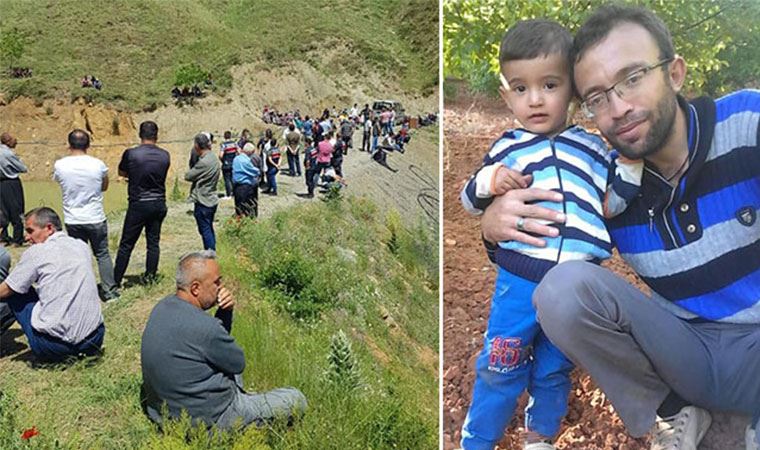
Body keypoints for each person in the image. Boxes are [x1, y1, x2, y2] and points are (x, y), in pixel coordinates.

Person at [479, 5, 760, 449]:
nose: (619, 107)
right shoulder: (607, 185)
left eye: (633, 77)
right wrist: (492, 229)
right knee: (562, 289)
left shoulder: (745, 124)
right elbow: (557, 242)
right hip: (683, 354)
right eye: (597, 96)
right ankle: (671, 413)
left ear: (675, 73)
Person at [459, 20, 640, 450]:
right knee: (502, 359)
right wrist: (492, 180)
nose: (535, 99)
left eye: (550, 84)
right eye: (520, 89)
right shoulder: (507, 147)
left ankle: (540, 434)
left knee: (555, 364)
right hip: (520, 277)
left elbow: (611, 204)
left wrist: (631, 165)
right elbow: (470, 199)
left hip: (577, 284)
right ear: (506, 96)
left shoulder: (595, 150)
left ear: (573, 91)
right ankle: (478, 438)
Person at [140, 251, 307, 429]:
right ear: (195, 288)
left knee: (219, 358)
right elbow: (237, 363)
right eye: (216, 282)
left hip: (164, 414)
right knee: (296, 399)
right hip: (209, 422)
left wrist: (224, 312)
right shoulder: (206, 328)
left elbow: (209, 342)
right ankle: (247, 410)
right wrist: (224, 315)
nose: (221, 287)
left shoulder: (162, 306)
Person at [0, 207, 105, 362]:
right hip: (93, 340)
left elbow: (5, 291)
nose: (26, 237)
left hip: (53, 347)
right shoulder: (81, 246)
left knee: (16, 289)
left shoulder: (37, 251)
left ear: (49, 228)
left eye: (30, 231)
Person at [53, 129, 119, 301]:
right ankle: (110, 293)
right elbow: (104, 187)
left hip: (73, 219)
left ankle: (82, 292)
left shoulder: (60, 165)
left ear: (69, 144)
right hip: (95, 217)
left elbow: (61, 183)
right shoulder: (98, 164)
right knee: (102, 254)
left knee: (78, 256)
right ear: (88, 145)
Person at [114, 121, 170, 287]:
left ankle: (116, 280)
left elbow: (122, 172)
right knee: (153, 243)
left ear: (140, 134)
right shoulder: (165, 155)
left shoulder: (131, 154)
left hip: (139, 203)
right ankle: (150, 278)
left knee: (126, 244)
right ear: (156, 135)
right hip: (159, 202)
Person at [186, 133, 220, 251]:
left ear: (197, 146)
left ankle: (210, 254)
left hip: (203, 200)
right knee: (208, 228)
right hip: (211, 198)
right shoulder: (213, 157)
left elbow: (188, 176)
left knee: (205, 230)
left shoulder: (204, 162)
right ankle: (211, 251)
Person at [0, 133, 27, 246]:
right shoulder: (8, 153)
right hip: (11, 183)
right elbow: (23, 168)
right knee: (16, 209)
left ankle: (3, 238)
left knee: (2, 211)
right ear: (9, 142)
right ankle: (17, 239)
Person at [232, 143, 261, 218]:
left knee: (238, 206)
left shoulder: (236, 159)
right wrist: (258, 171)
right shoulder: (246, 161)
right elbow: (254, 171)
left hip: (236, 186)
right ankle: (249, 221)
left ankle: (239, 220)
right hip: (245, 186)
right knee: (248, 206)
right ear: (250, 152)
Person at [219, 131, 238, 198]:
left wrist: (223, 161)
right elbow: (239, 152)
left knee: (227, 179)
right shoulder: (234, 143)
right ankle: (234, 193)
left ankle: (229, 194)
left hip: (226, 164)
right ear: (230, 136)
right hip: (234, 164)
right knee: (233, 178)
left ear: (224, 136)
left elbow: (221, 155)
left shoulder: (224, 145)